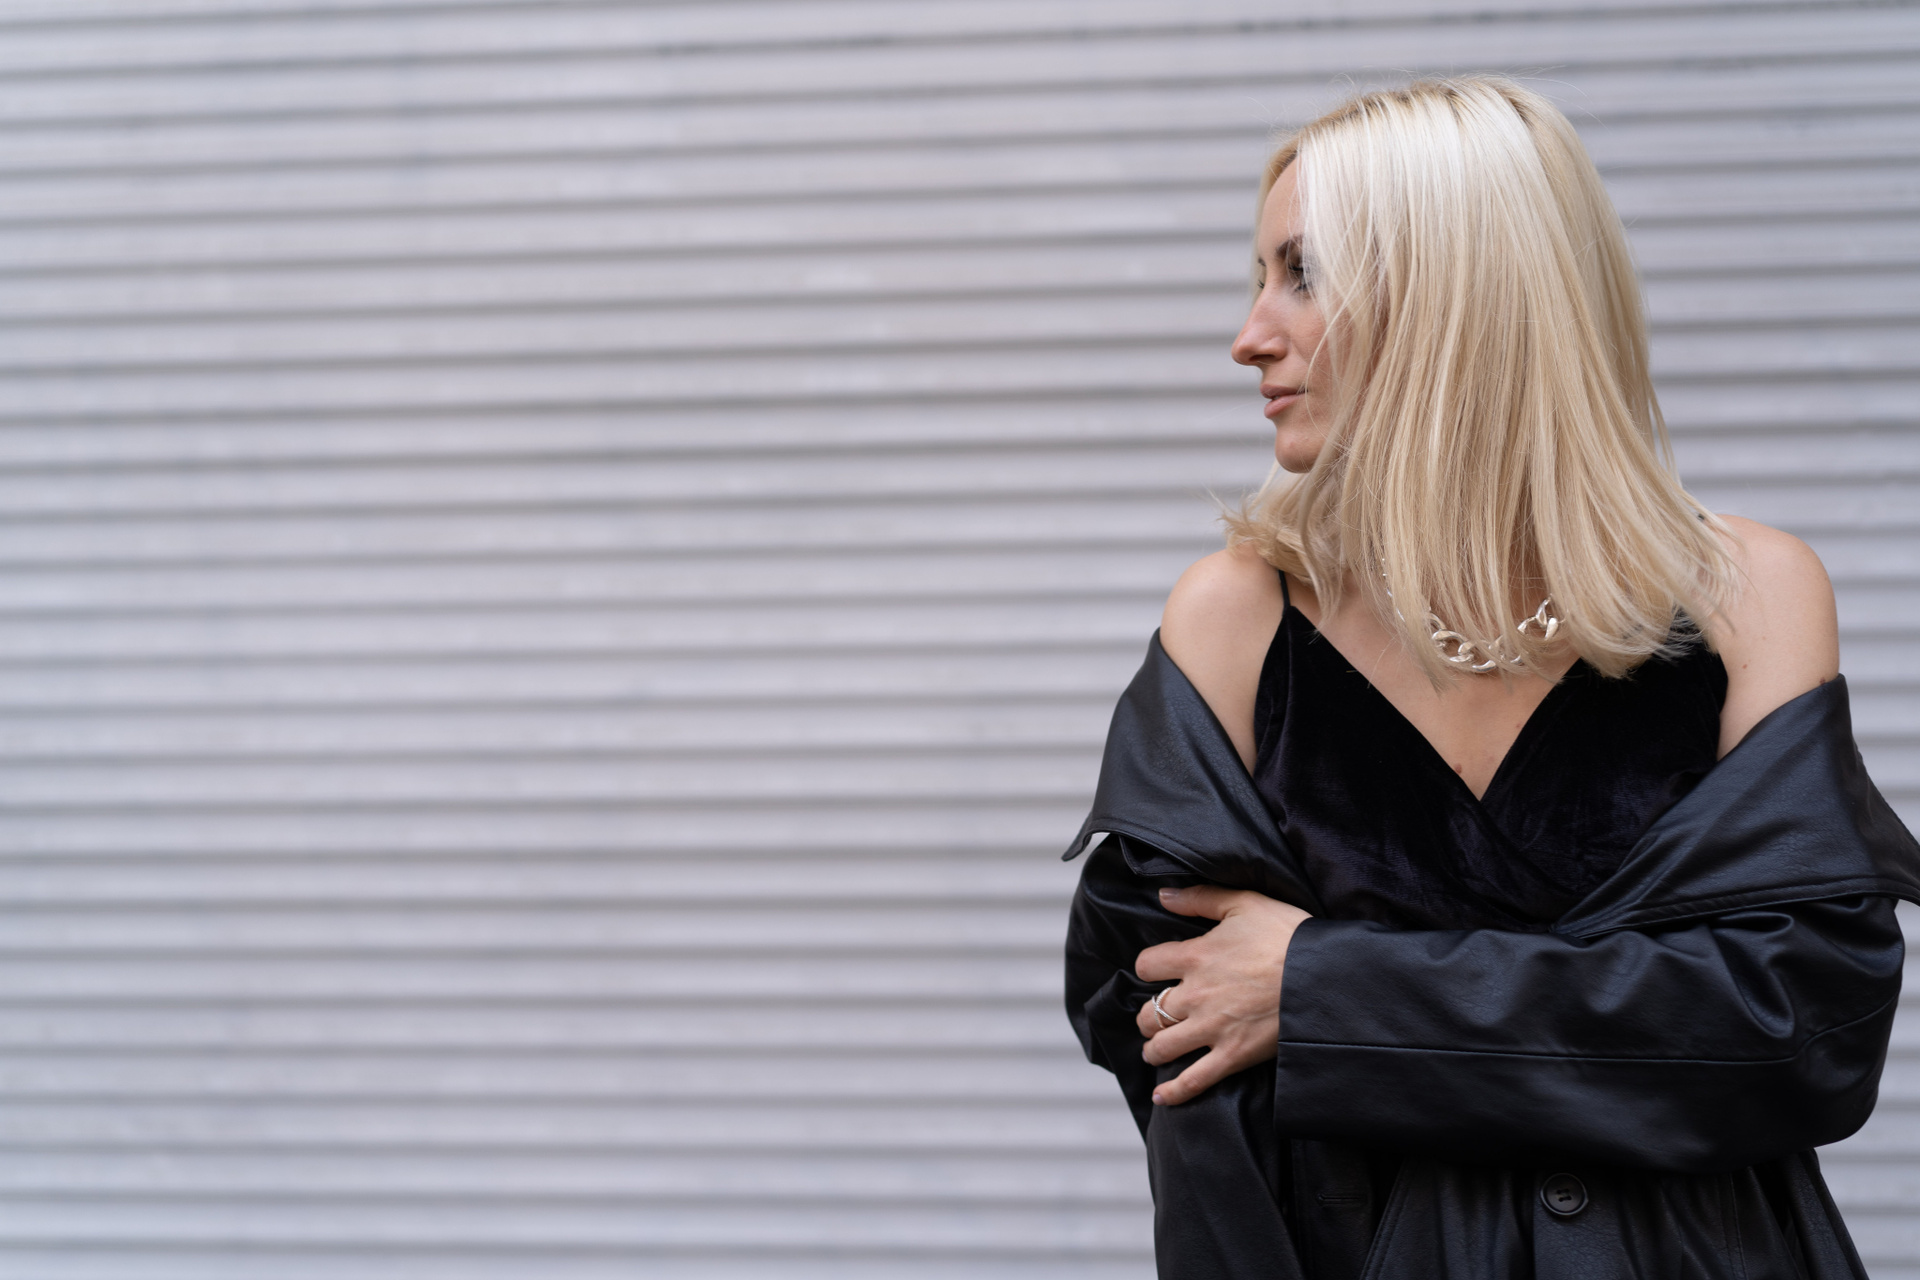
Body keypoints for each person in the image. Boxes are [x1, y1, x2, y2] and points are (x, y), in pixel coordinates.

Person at [1062, 77, 1920, 1280]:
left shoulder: (1745, 595)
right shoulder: (1237, 620)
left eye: (1304, 274)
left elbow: (1797, 1031)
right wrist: (1607, 1022)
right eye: (1259, 276)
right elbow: (1176, 1043)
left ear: (1457, 291)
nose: (1251, 334)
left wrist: (1321, 988)